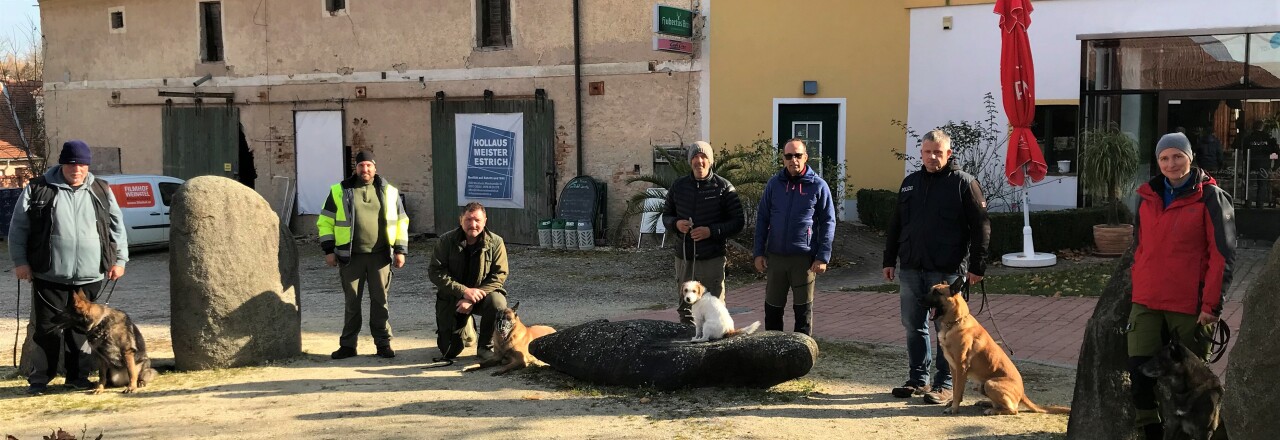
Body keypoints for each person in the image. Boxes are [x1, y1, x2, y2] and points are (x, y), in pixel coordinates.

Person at [1128, 133, 1234, 440]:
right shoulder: (1147, 196)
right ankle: (1151, 431)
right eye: (1164, 158)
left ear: (1190, 157)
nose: (1172, 163)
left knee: (1194, 385)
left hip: (1190, 306)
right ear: (1158, 162)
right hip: (1146, 300)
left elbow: (1222, 254)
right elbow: (1140, 246)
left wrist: (1211, 305)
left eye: (1178, 156)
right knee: (1139, 374)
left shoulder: (1211, 196)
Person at [9, 140, 129, 395]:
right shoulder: (38, 188)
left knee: (82, 332)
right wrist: (20, 262)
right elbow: (18, 228)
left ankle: (78, 377)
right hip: (48, 274)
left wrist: (120, 260)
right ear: (63, 164)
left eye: (82, 164)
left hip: (91, 274)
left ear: (88, 166)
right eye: (72, 164)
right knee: (46, 329)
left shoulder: (101, 189)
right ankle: (40, 379)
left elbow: (117, 227)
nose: (77, 170)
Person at [882, 129, 990, 405]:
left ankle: (944, 384)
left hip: (947, 271)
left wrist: (977, 266)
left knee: (949, 328)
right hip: (911, 267)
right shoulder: (910, 184)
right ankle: (917, 379)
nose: (932, 157)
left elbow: (981, 227)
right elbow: (896, 224)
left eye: (938, 152)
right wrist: (888, 259)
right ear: (921, 153)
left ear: (949, 153)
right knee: (912, 324)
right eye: (928, 152)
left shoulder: (964, 183)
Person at [317, 150, 409, 360]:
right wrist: (329, 250)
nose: (365, 169)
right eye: (361, 166)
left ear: (375, 168)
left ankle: (383, 344)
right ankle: (348, 346)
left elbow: (402, 222)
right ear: (355, 168)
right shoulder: (339, 191)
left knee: (380, 302)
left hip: (380, 257)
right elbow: (325, 221)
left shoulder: (390, 192)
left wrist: (401, 251)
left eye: (368, 165)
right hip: (351, 257)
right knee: (352, 303)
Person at [752, 138, 836, 336]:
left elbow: (828, 223)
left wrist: (822, 256)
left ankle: (802, 354)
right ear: (783, 159)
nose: (793, 160)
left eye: (798, 155)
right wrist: (758, 253)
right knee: (773, 309)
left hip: (804, 260)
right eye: (789, 156)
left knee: (803, 312)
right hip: (776, 258)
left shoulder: (818, 186)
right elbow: (762, 219)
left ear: (805, 157)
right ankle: (773, 352)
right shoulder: (774, 185)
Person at [662, 141, 745, 324]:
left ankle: (715, 347)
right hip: (685, 257)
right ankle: (688, 345)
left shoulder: (724, 188)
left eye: (703, 157)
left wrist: (711, 231)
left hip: (712, 257)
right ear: (689, 161)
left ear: (711, 161)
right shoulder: (678, 186)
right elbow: (666, 216)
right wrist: (676, 224)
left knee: (714, 308)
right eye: (695, 157)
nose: (699, 161)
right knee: (686, 309)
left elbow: (738, 222)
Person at [428, 202, 509, 361]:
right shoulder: (446, 241)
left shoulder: (496, 242)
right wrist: (464, 292)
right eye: (468, 220)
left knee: (498, 302)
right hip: (453, 298)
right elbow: (435, 272)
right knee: (449, 352)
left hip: (482, 296)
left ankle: (486, 346)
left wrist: (472, 296)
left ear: (485, 220)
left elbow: (500, 274)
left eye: (477, 220)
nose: (473, 224)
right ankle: (468, 330)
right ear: (461, 220)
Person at [1241, 120, 1278, 208]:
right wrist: (1272, 162)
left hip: (1251, 164)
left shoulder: (1248, 138)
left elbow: (1244, 153)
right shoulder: (1268, 139)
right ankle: (1260, 204)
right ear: (1262, 127)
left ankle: (1248, 202)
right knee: (1262, 184)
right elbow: (1275, 153)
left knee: (1249, 184)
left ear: (1253, 127)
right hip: (1264, 165)